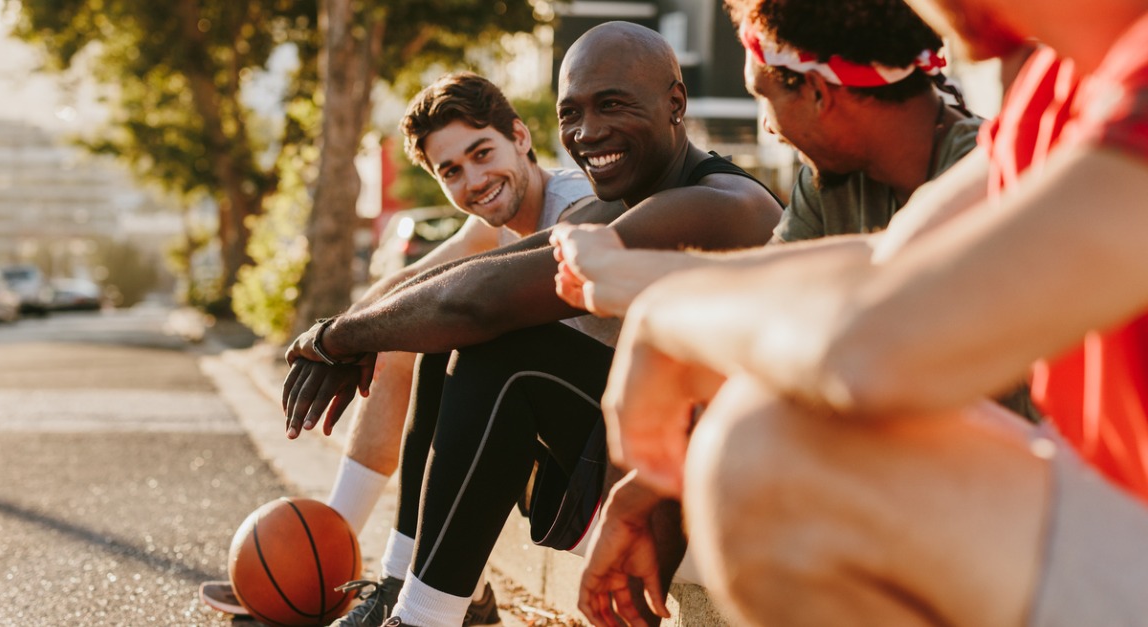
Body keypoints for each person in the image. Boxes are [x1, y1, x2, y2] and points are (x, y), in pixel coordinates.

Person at [589, 0, 1148, 624]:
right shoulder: (1059, 87)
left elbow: (871, 345)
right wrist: (647, 483)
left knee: (769, 448)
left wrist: (666, 309)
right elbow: (885, 267)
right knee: (768, 441)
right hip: (1111, 507)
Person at [284, 21, 783, 627]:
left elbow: (483, 301)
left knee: (503, 353)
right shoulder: (627, 200)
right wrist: (354, 329)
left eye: (612, 105)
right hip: (655, 474)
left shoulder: (721, 205)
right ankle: (418, 601)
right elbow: (474, 274)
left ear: (674, 103)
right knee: (450, 345)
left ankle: (424, 618)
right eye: (570, 113)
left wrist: (337, 338)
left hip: (736, 503)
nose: (586, 132)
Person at [201, 71, 602, 623]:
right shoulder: (494, 223)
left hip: (612, 456)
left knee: (462, 332)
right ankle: (365, 568)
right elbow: (404, 288)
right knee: (413, 335)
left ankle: (360, 574)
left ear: (520, 135)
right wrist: (339, 336)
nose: (476, 179)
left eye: (482, 153)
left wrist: (359, 334)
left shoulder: (574, 209)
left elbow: (469, 302)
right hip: (555, 442)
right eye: (452, 171)